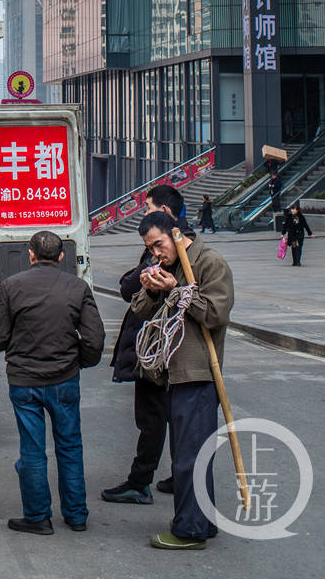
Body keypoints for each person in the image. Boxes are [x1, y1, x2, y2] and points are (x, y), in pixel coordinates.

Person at [0, 229, 105, 535]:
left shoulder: (11, 287)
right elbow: (94, 338)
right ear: (61, 256)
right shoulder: (77, 287)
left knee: (33, 449)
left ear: (30, 254)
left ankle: (38, 517)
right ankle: (76, 515)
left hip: (24, 381)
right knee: (69, 445)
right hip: (64, 378)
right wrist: (79, 361)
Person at [131, 211, 234, 551]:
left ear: (175, 235)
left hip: (198, 372)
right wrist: (149, 289)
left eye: (159, 244)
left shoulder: (208, 262)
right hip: (172, 372)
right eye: (150, 248)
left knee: (189, 456)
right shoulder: (166, 265)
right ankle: (201, 521)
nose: (156, 253)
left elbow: (216, 314)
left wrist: (177, 290)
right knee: (190, 453)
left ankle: (189, 530)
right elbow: (140, 312)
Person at [102, 184, 190, 506]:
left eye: (149, 207)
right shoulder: (172, 244)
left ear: (165, 213)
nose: (144, 213)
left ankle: (140, 482)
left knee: (153, 416)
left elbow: (129, 286)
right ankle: (180, 476)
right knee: (170, 413)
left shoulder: (174, 248)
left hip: (160, 347)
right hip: (166, 344)